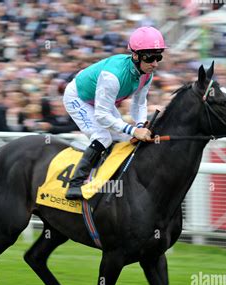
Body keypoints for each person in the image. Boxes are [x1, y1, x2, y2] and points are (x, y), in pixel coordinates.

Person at [63, 26, 166, 200]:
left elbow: (139, 104)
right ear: (135, 55)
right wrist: (134, 130)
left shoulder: (146, 74)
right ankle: (75, 183)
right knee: (103, 137)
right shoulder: (113, 76)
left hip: (99, 100)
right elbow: (102, 116)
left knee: (125, 140)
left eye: (159, 57)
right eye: (151, 57)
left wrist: (140, 125)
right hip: (78, 98)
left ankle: (108, 178)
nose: (155, 63)